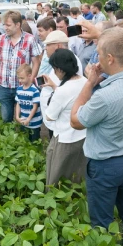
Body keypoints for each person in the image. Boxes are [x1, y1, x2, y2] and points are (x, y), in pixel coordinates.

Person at [70, 27, 123, 238]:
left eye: (98, 53)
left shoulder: (105, 97)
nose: (96, 57)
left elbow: (75, 121)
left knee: (102, 218)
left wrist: (90, 83)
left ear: (109, 58)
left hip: (105, 165)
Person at [41, 48, 87, 186]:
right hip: (82, 135)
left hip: (65, 138)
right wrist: (56, 87)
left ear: (60, 69)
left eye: (54, 69)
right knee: (76, 172)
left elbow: (50, 117)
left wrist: (56, 93)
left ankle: (53, 202)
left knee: (57, 173)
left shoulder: (63, 91)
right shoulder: (84, 81)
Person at [0, 10, 41, 122]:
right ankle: (9, 137)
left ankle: (23, 137)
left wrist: (31, 80)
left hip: (22, 86)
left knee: (24, 118)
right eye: (4, 25)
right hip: (4, 86)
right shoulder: (1, 39)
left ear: (17, 25)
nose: (5, 27)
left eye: (8, 25)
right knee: (6, 118)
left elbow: (36, 62)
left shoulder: (29, 39)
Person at [14, 64, 42, 142]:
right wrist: (17, 116)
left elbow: (35, 107)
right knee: (24, 141)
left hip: (34, 122)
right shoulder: (19, 89)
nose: (20, 80)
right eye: (19, 78)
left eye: (22, 78)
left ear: (29, 76)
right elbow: (18, 104)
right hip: (23, 120)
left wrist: (29, 119)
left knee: (34, 141)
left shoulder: (35, 90)